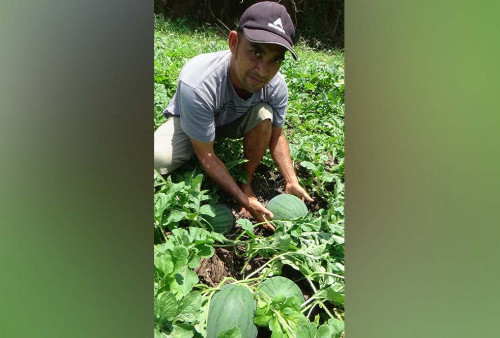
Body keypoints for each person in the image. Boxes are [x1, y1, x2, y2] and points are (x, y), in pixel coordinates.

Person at [154, 1, 313, 227]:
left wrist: (291, 180)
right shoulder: (198, 82)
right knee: (155, 159)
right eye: (256, 52)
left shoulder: (276, 85)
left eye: (275, 59)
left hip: (232, 122)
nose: (263, 70)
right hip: (189, 123)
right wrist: (242, 200)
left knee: (265, 114)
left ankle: (246, 181)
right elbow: (207, 156)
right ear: (234, 43)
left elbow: (277, 135)